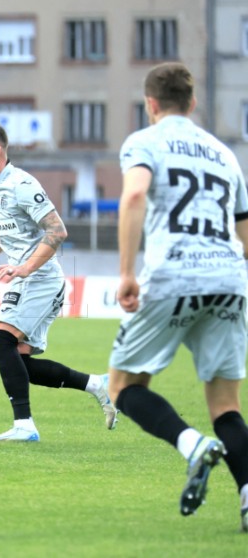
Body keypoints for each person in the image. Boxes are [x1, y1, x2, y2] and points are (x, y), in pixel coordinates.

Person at [107, 62, 248, 529]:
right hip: (228, 277)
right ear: (192, 103)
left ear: (151, 104)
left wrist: (127, 272)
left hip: (173, 275)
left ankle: (194, 445)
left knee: (124, 388)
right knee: (226, 406)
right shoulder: (225, 154)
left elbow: (133, 198)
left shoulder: (144, 142)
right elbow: (245, 233)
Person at [0, 123, 116, 442]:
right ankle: (97, 384)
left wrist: (26, 267)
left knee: (0, 340)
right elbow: (2, 226)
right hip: (25, 277)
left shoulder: (21, 184)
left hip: (41, 278)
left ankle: (24, 426)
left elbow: (57, 231)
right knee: (21, 363)